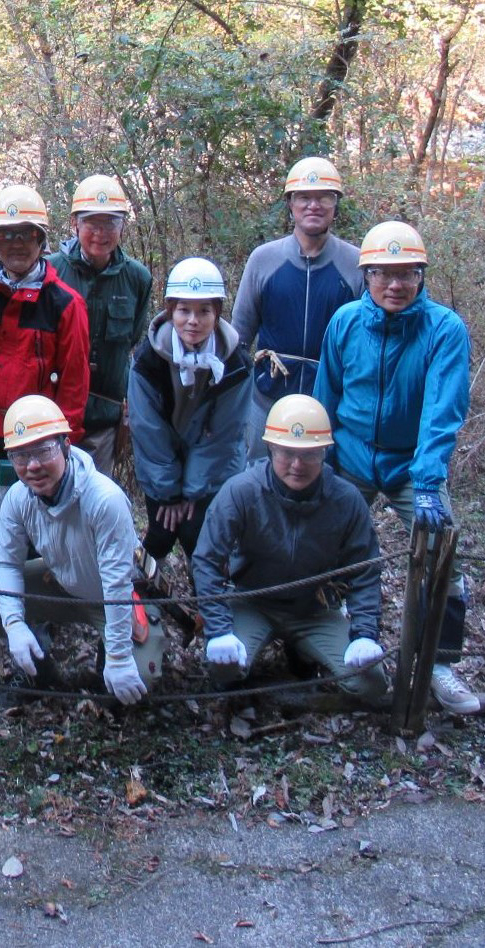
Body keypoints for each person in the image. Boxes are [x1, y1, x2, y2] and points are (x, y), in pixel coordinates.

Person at [314, 221, 475, 713]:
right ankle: (333, 642)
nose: (394, 285)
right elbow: (328, 392)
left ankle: (439, 664)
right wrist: (322, 456)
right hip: (355, 454)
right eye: (383, 274)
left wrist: (428, 481)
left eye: (406, 274)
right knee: (322, 545)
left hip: (411, 464)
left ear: (421, 276)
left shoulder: (443, 329)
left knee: (444, 552)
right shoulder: (344, 322)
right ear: (366, 275)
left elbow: (442, 410)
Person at [193, 395, 388, 704]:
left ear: (324, 453)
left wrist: (364, 634)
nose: (297, 465)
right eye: (286, 452)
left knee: (371, 684)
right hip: (252, 601)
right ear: (270, 448)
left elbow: (365, 568)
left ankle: (303, 651)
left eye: (309, 454)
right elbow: (207, 560)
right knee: (224, 671)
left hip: (315, 608)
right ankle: (262, 653)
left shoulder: (346, 500)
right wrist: (219, 628)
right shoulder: (241, 491)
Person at [0, 184, 90, 581]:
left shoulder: (65, 304)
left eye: (26, 234)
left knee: (35, 519)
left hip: (35, 440)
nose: (16, 244)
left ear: (41, 239)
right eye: (6, 235)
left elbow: (74, 384)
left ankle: (33, 599)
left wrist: (65, 443)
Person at [0, 395, 161, 705]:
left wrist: (119, 656)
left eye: (43, 450)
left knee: (138, 685)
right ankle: (38, 671)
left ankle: (112, 655)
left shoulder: (104, 499)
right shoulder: (18, 498)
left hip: (116, 594)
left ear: (65, 445)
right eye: (20, 456)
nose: (33, 465)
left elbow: (118, 582)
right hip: (63, 580)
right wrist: (14, 624)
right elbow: (7, 564)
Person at [231, 157, 362, 460]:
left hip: (331, 398)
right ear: (290, 204)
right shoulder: (263, 260)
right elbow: (239, 337)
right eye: (304, 197)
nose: (313, 205)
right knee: (261, 480)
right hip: (266, 396)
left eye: (324, 197)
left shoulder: (355, 265)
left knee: (323, 483)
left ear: (335, 205)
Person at [128, 257, 252, 567]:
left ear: (217, 314)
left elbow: (225, 433)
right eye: (184, 311)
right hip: (162, 467)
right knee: (161, 531)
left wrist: (192, 493)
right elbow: (148, 430)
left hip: (213, 470)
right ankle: (142, 599)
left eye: (204, 311)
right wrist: (170, 493)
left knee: (201, 537)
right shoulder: (148, 361)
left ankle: (206, 606)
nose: (193, 321)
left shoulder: (236, 364)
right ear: (170, 311)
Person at [44, 174, 153, 474]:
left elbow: (130, 340)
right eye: (92, 223)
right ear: (75, 224)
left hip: (105, 418)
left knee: (92, 505)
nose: (100, 233)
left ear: (122, 227)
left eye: (110, 223)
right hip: (53, 415)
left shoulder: (137, 278)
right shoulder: (50, 271)